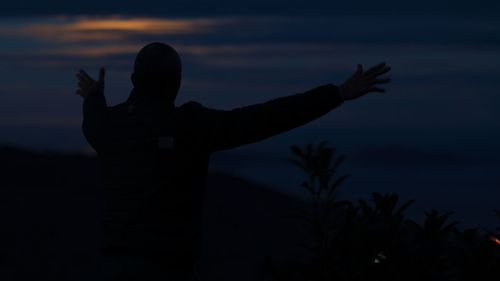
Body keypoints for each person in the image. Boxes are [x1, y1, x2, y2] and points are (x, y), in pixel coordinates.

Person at [76, 42, 391, 280]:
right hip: (171, 264)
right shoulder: (191, 126)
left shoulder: (109, 126)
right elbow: (264, 119)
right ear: (177, 82)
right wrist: (337, 94)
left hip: (114, 263)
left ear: (133, 79)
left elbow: (93, 119)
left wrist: (94, 94)